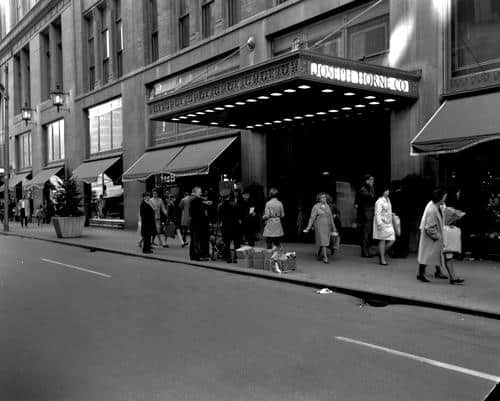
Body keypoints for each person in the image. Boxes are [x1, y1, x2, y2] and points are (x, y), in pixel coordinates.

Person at [416, 188, 449, 283]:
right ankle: (421, 274)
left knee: (429, 254)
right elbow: (429, 227)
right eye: (444, 196)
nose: (445, 198)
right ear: (440, 198)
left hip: (433, 234)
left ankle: (424, 273)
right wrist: (438, 236)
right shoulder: (432, 209)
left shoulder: (437, 206)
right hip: (432, 235)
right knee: (427, 254)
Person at [303, 193, 337, 263]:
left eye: (324, 197)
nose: (323, 199)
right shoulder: (315, 207)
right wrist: (308, 228)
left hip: (327, 226)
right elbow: (312, 218)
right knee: (324, 241)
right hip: (319, 225)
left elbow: (331, 218)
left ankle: (319, 253)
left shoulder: (327, 206)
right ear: (318, 199)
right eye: (322, 197)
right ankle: (325, 257)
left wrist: (334, 227)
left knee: (324, 241)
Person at [373, 186, 396, 266]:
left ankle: (380, 252)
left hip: (388, 223)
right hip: (382, 223)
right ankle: (382, 259)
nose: (388, 191)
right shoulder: (379, 201)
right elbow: (377, 213)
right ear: (383, 192)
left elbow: (388, 210)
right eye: (386, 190)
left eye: (388, 190)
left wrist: (392, 214)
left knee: (392, 239)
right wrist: (379, 224)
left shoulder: (388, 199)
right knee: (382, 240)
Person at [218, 191, 241, 263]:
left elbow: (219, 217)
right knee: (236, 243)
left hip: (226, 227)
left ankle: (228, 258)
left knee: (227, 243)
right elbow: (238, 215)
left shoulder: (221, 206)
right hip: (235, 226)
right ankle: (236, 258)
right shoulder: (235, 205)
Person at [356, 174, 376, 257]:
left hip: (369, 213)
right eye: (371, 180)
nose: (373, 181)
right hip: (366, 214)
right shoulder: (363, 189)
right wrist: (371, 188)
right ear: (366, 181)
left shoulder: (369, 188)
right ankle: (365, 252)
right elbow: (371, 198)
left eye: (373, 180)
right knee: (366, 233)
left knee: (368, 233)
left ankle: (366, 250)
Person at [189, 187, 209, 261]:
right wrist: (205, 203)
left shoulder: (195, 200)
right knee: (196, 240)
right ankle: (196, 255)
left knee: (194, 240)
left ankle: (194, 255)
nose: (200, 193)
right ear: (195, 192)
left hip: (195, 223)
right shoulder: (195, 201)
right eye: (199, 192)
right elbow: (196, 213)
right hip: (196, 224)